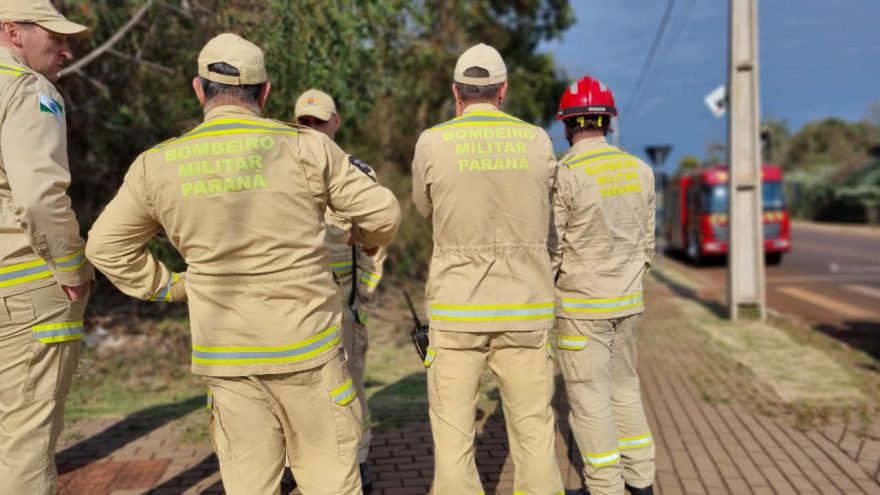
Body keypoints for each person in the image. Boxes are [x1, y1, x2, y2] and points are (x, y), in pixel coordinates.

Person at [85, 33, 400, 495]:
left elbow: (105, 247)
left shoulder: (157, 164)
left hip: (228, 360)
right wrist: (365, 239)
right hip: (308, 351)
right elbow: (384, 212)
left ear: (199, 89)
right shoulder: (304, 147)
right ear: (266, 92)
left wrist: (172, 286)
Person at [411, 42, 564, 495]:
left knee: (453, 433)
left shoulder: (433, 141)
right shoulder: (537, 139)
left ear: (457, 94)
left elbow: (424, 208)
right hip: (526, 306)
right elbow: (547, 206)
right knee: (534, 429)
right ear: (504, 92)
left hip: (458, 309)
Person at [0, 2, 93, 493]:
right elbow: (39, 197)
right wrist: (73, 269)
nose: (66, 49)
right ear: (12, 32)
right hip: (24, 293)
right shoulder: (29, 90)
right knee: (25, 448)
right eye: (54, 37)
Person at [549, 75, 656, 495]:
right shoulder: (640, 169)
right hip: (629, 301)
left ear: (567, 125)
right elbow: (648, 243)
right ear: (607, 122)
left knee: (590, 400)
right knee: (625, 389)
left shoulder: (565, 174)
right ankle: (641, 480)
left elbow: (553, 247)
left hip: (581, 307)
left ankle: (604, 488)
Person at [292, 88, 385, 493]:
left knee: (350, 388)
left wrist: (361, 298)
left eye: (319, 121)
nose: (312, 129)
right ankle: (291, 466)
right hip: (294, 305)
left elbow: (373, 248)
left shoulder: (356, 173)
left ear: (336, 122)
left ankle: (358, 460)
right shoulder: (279, 169)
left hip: (343, 305)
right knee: (294, 392)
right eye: (304, 122)